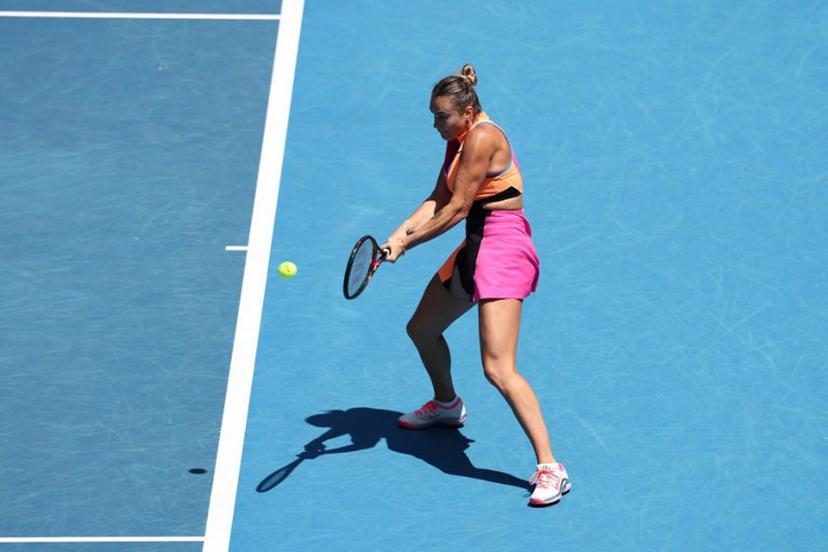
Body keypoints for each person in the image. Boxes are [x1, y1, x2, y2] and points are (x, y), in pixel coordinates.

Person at [381, 64, 571, 507]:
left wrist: (406, 246)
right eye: (432, 116)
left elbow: (458, 209)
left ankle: (551, 467)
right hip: (475, 246)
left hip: (502, 248)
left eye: (441, 116)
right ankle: (447, 405)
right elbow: (437, 199)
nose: (434, 125)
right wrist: (396, 233)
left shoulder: (483, 138)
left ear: (467, 113)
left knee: (498, 368)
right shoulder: (458, 140)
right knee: (422, 329)